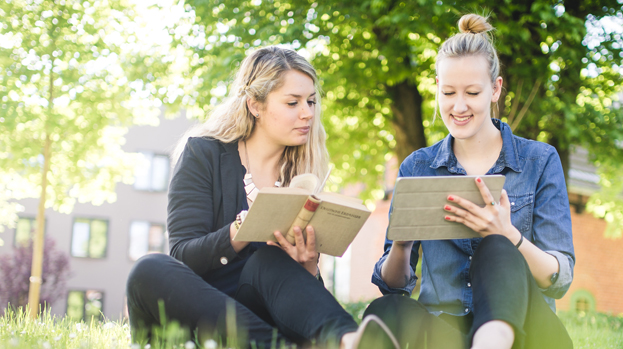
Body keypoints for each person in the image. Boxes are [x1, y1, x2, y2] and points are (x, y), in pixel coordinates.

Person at [126, 46, 397, 349]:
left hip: (266, 316)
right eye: (293, 102)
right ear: (255, 105)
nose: (307, 113)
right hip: (203, 316)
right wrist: (240, 230)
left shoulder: (303, 177)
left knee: (269, 260)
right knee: (148, 269)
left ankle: (349, 340)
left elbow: (301, 301)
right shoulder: (203, 153)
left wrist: (308, 266)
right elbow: (183, 257)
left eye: (311, 101)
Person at [368, 14, 575, 349]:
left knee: (497, 246)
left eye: (473, 92)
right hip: (447, 333)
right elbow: (393, 285)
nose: (459, 106)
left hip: (524, 332)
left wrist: (509, 235)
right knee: (386, 309)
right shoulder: (417, 166)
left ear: (495, 89)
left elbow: (559, 278)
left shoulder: (539, 160)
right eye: (448, 92)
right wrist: (402, 245)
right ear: (437, 87)